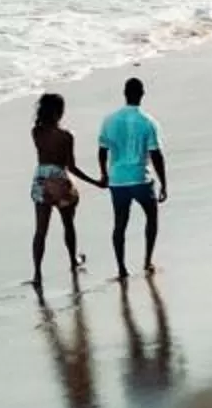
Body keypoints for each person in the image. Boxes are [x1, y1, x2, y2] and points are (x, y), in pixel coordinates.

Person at [27, 91, 104, 292]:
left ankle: (37, 273)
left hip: (41, 180)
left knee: (40, 231)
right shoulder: (66, 136)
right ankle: (72, 260)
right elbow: (71, 167)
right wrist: (95, 182)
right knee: (68, 224)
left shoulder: (36, 132)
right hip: (59, 180)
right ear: (59, 112)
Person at [95, 75, 169, 279]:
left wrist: (103, 173)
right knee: (151, 217)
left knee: (119, 223)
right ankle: (147, 260)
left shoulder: (109, 120)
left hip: (117, 180)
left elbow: (102, 151)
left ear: (125, 94)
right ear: (142, 94)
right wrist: (163, 183)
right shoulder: (148, 122)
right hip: (140, 179)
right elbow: (156, 155)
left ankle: (121, 267)